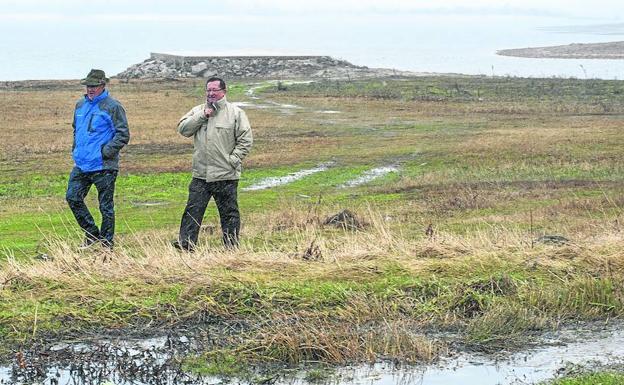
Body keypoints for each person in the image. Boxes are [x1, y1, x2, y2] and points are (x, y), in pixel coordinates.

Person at [174, 77, 253, 251]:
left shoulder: (236, 113)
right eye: (208, 90)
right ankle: (185, 244)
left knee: (229, 213)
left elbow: (245, 140)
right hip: (201, 174)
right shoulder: (198, 110)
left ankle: (231, 246)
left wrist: (232, 160)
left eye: (214, 90)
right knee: (192, 210)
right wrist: (203, 115)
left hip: (226, 174)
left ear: (223, 92)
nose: (210, 93)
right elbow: (183, 130)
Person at [65, 69, 130, 250]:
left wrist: (105, 152)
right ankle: (92, 234)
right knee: (72, 198)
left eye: (94, 85)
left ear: (103, 85)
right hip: (82, 164)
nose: (90, 89)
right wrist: (75, 150)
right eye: (88, 86)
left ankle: (107, 244)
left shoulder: (113, 106)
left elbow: (123, 134)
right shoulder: (79, 106)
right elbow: (76, 130)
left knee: (105, 206)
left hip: (104, 166)